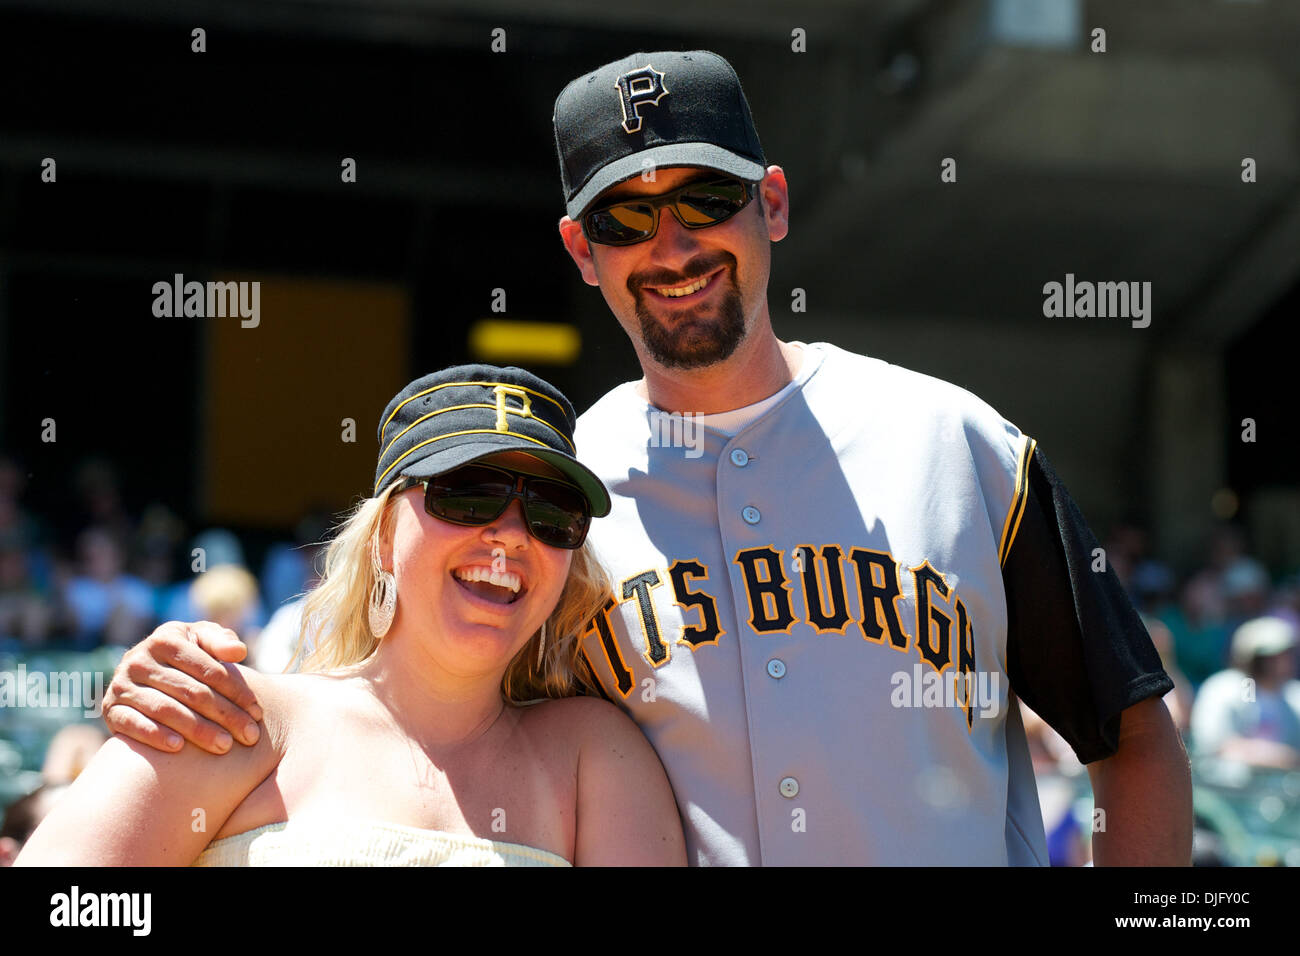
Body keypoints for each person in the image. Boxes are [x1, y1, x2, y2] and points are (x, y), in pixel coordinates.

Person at [99, 51, 1189, 866]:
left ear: (770, 201)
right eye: (624, 215)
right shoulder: (547, 495)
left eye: (703, 200)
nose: (670, 246)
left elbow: (1131, 734)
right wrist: (181, 677)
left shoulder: (960, 444)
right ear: (581, 251)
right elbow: (417, 707)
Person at [17, 366, 685, 866]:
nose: (510, 535)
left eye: (550, 512)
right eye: (469, 495)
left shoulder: (593, 755)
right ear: (383, 539)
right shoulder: (229, 714)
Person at [1189, 616, 1300, 768]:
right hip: (1228, 787)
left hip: (1283, 787)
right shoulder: (1225, 688)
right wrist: (1273, 756)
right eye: (1270, 656)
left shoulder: (1293, 694)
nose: (1281, 661)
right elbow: (1212, 745)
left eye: (1286, 654)